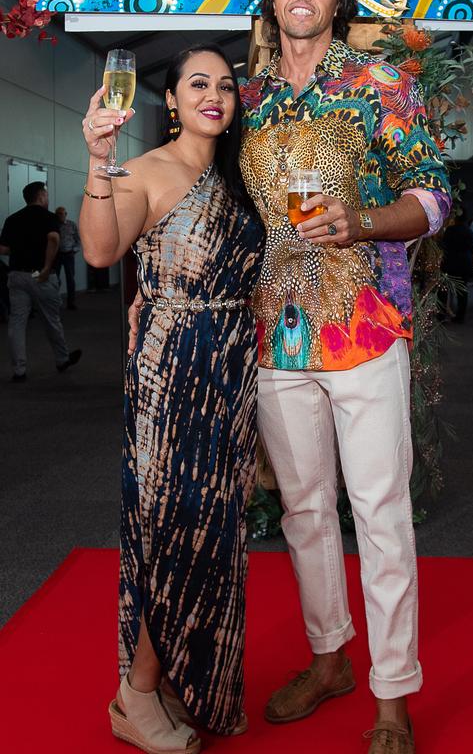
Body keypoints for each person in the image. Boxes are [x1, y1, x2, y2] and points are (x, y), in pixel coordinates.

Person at [239, 0, 451, 753]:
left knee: (381, 513)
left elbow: (433, 197)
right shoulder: (247, 100)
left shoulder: (381, 84)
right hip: (275, 336)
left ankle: (392, 695)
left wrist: (360, 222)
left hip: (362, 325)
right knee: (301, 511)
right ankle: (329, 659)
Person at [80, 45, 264, 752]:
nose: (214, 95)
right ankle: (137, 693)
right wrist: (100, 156)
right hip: (170, 372)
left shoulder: (237, 175)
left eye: (225, 85)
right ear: (171, 99)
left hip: (230, 367)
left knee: (216, 536)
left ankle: (185, 678)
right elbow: (101, 252)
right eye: (198, 84)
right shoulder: (144, 169)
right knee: (170, 535)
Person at [0, 181, 81, 382]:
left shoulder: (12, 219)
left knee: (17, 323)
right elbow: (54, 240)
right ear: (40, 196)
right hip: (40, 275)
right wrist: (45, 267)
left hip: (17, 275)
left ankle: (19, 370)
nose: (47, 197)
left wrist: (20, 251)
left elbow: (2, 249)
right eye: (45, 194)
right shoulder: (49, 217)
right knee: (51, 319)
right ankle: (62, 359)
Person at [441, 207, 473, 322]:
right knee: (462, 291)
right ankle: (460, 316)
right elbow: (472, 248)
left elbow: (444, 246)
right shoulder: (469, 231)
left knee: (444, 290)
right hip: (464, 263)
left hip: (450, 263)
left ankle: (441, 315)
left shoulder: (450, 231)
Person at [54, 206, 80, 309]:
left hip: (69, 254)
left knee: (70, 279)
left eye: (62, 213)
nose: (60, 216)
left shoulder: (71, 225)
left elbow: (78, 239)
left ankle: (71, 302)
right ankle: (55, 302)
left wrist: (75, 250)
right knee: (55, 279)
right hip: (57, 255)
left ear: (66, 214)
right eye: (58, 214)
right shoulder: (54, 225)